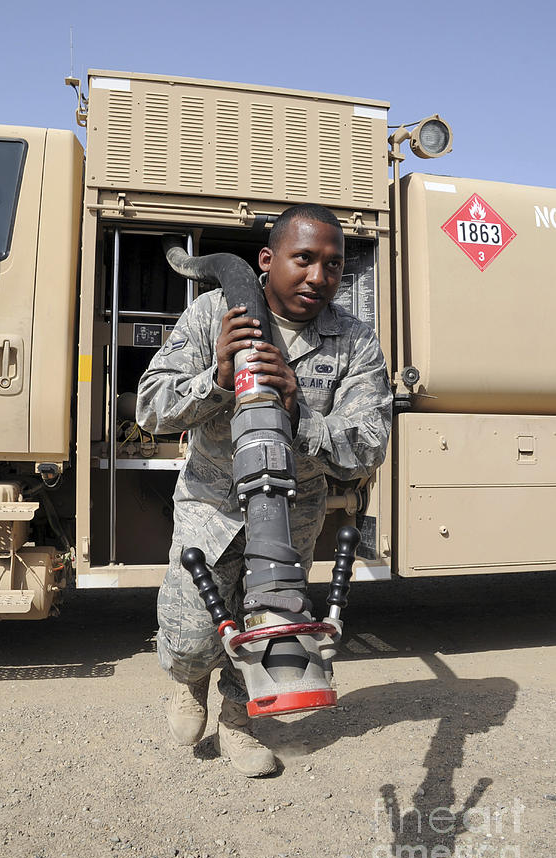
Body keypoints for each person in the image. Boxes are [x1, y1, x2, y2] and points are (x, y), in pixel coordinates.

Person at [136, 204, 393, 777]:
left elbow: (369, 445)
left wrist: (300, 414)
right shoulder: (213, 314)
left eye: (333, 265)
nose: (318, 277)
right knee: (189, 633)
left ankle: (238, 718)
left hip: (292, 511)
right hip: (213, 505)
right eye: (304, 259)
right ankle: (187, 681)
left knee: (267, 621)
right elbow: (151, 406)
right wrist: (218, 379)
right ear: (267, 260)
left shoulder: (353, 342)